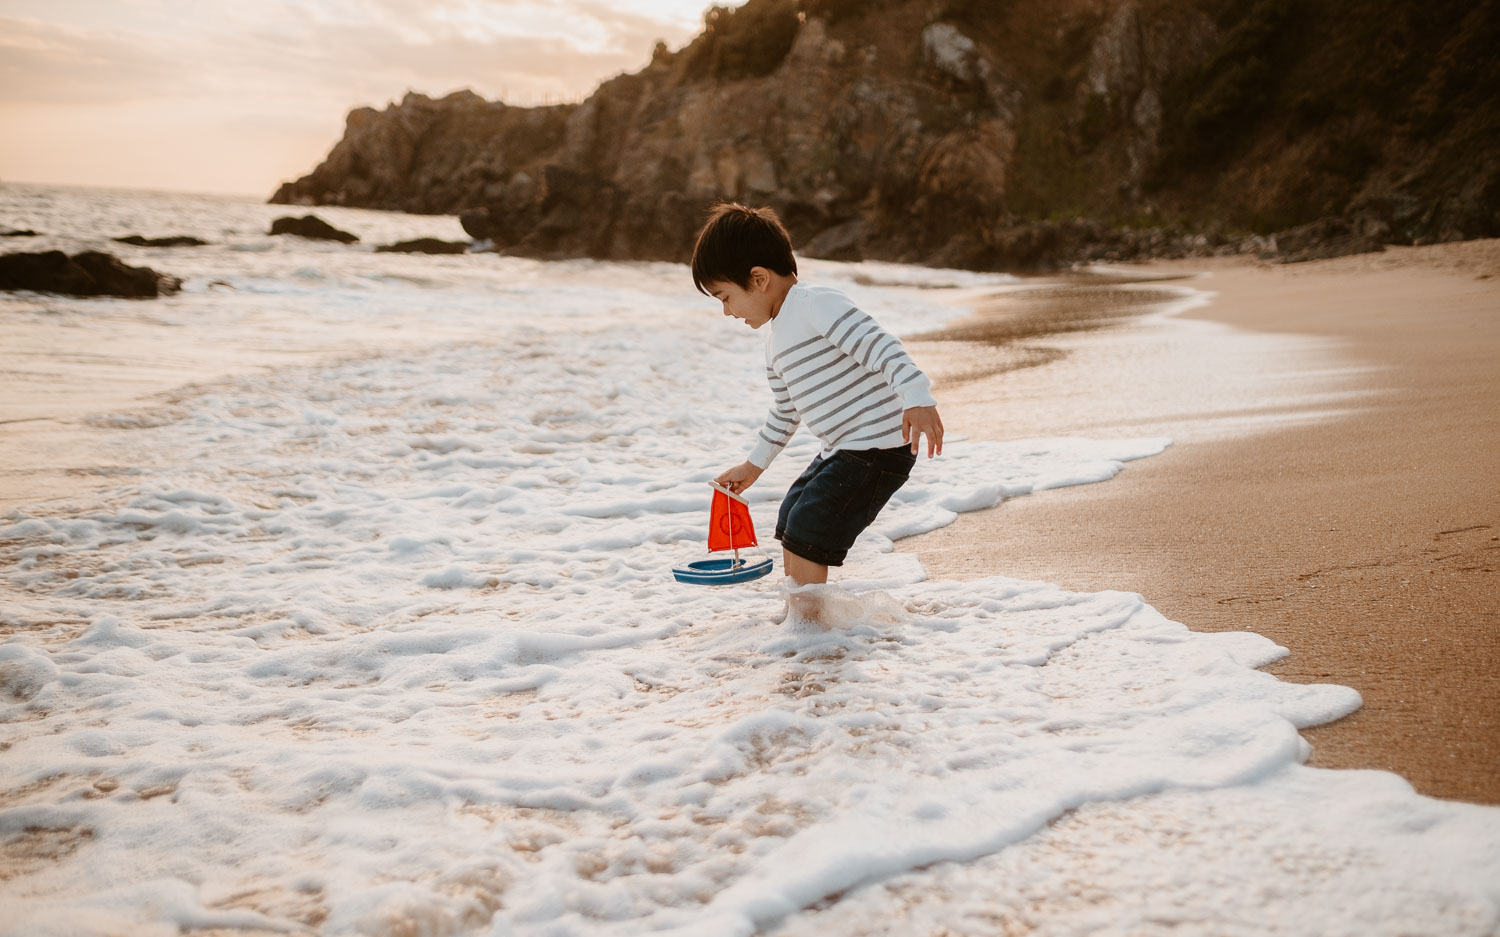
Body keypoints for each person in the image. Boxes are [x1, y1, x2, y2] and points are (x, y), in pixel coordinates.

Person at [691, 202, 943, 619]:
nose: (727, 311)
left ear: (758, 278)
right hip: (844, 448)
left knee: (810, 525)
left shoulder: (814, 304)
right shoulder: (774, 345)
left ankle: (811, 631)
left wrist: (918, 397)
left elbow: (881, 345)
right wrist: (753, 467)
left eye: (725, 297)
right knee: (793, 515)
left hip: (879, 447)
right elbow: (785, 411)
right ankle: (802, 617)